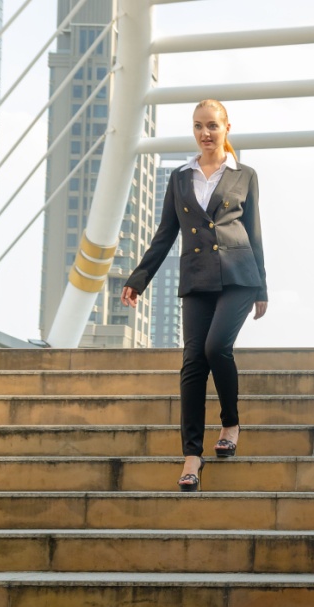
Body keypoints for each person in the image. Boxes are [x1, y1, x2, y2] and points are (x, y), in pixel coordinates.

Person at [121, 99, 268, 491]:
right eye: (199, 126)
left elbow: (254, 233)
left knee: (216, 346)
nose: (205, 133)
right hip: (197, 278)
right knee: (192, 363)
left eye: (212, 126)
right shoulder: (180, 177)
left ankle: (231, 422)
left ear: (226, 128)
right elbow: (165, 233)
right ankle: (192, 455)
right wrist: (139, 278)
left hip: (239, 276)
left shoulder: (245, 175)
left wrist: (263, 287)